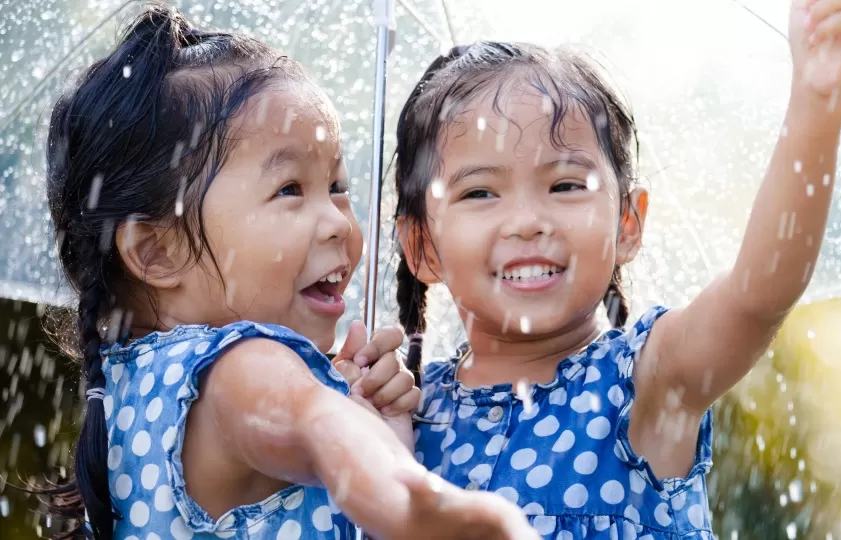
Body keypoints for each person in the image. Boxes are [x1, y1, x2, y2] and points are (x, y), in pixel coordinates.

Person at [36, 3, 535, 539]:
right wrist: (419, 502)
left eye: (338, 187)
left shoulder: (133, 394)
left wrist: (377, 432)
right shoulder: (240, 365)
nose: (338, 223)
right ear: (158, 252)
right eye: (289, 189)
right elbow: (317, 425)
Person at [393, 0, 841, 537]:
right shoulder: (406, 410)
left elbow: (757, 295)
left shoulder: (646, 381)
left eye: (565, 185)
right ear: (423, 247)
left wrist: (817, 98)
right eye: (480, 192)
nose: (527, 221)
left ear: (627, 222)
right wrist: (368, 413)